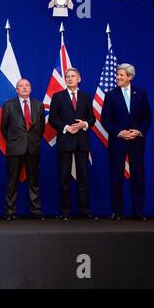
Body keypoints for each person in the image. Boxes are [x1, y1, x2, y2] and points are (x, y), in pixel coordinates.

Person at [101, 63, 152, 221]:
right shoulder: (110, 95)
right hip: (118, 142)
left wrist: (138, 131)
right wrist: (119, 132)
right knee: (116, 178)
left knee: (138, 178)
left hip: (136, 142)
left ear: (130, 77)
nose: (118, 77)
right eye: (117, 75)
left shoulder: (141, 94)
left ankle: (138, 211)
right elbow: (105, 119)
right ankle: (117, 212)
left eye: (121, 75)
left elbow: (147, 117)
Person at [48, 68, 96, 220]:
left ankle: (84, 210)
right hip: (65, 141)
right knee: (64, 179)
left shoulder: (86, 97)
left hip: (82, 142)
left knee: (83, 178)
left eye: (73, 76)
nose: (70, 79)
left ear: (79, 79)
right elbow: (52, 119)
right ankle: (65, 212)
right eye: (67, 77)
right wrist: (66, 127)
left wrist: (85, 124)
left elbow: (92, 118)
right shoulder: (57, 97)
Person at [0, 79, 45, 221]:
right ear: (16, 90)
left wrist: (32, 140)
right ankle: (10, 212)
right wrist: (15, 141)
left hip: (33, 147)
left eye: (27, 86)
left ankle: (36, 211)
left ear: (31, 89)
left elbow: (41, 128)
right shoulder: (8, 105)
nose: (24, 88)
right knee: (12, 181)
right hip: (15, 148)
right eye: (21, 86)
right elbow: (3, 128)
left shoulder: (39, 105)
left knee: (34, 181)